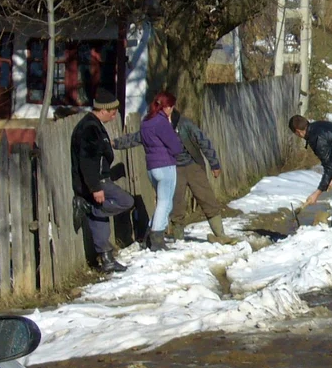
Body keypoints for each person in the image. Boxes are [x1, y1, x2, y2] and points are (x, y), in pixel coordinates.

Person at [114, 108, 237, 244]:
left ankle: (220, 234)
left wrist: (214, 164)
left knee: (206, 198)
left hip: (193, 165)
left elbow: (203, 141)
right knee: (176, 203)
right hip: (173, 168)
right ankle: (179, 238)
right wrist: (116, 143)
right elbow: (137, 137)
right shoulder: (156, 126)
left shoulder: (185, 124)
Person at [71, 88, 134, 273]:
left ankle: (106, 260)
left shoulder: (93, 125)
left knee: (101, 219)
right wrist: (95, 187)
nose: (114, 117)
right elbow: (88, 160)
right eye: (113, 113)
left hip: (95, 182)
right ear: (104, 110)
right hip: (98, 181)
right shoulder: (90, 128)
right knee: (126, 201)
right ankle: (89, 207)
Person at [139, 91, 185, 251]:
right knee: (165, 203)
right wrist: (172, 128)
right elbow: (175, 146)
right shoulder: (161, 122)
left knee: (164, 203)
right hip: (165, 165)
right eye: (171, 106)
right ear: (166, 107)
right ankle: (157, 239)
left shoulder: (145, 122)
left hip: (151, 167)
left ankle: (148, 237)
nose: (172, 109)